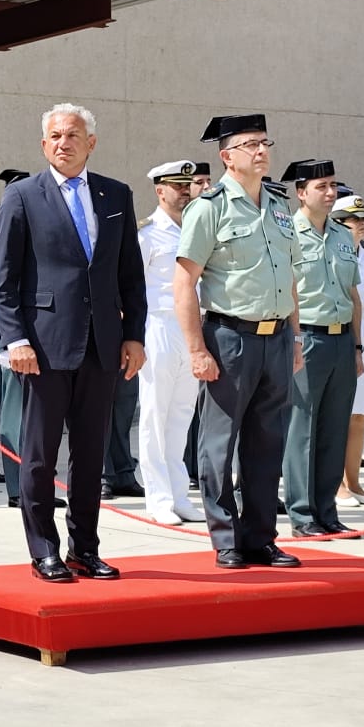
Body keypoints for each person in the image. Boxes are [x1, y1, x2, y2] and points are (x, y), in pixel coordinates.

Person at [0, 104, 146, 582]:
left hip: (102, 346)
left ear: (91, 142)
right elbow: (4, 279)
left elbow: (130, 276)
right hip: (43, 346)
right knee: (38, 456)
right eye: (55, 136)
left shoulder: (115, 195)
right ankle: (44, 550)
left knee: (90, 453)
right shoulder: (22, 196)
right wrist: (15, 338)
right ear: (44, 145)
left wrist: (134, 336)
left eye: (73, 135)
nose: (64, 143)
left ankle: (85, 548)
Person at [175, 114, 301, 570]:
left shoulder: (279, 206)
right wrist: (196, 348)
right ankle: (226, 537)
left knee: (267, 444)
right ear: (227, 156)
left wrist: (297, 336)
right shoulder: (209, 207)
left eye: (265, 142)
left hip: (277, 337)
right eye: (250, 145)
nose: (261, 151)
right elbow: (183, 283)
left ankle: (261, 537)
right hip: (230, 337)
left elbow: (289, 279)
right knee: (218, 443)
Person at [281, 157, 361, 537]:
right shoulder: (287, 233)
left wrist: (358, 347)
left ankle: (327, 510)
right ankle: (302, 513)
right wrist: (295, 340)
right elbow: (289, 293)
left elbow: (352, 294)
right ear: (301, 194)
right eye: (321, 187)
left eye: (333, 186)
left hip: (341, 339)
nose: (330, 193)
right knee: (303, 429)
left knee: (334, 427)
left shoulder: (345, 236)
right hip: (307, 337)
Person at [136, 160, 203, 526]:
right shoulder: (146, 235)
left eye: (186, 184)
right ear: (159, 190)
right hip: (157, 326)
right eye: (176, 185)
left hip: (190, 327)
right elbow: (131, 289)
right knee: (154, 415)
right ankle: (158, 497)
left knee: (181, 414)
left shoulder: (195, 229)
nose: (183, 190)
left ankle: (179, 495)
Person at [0, 170, 35, 510]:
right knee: (15, 418)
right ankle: (17, 487)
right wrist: (2, 343)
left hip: (37, 344)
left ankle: (34, 486)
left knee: (35, 421)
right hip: (13, 345)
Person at [332, 195, 364, 507]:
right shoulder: (334, 253)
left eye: (363, 219)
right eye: (353, 220)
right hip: (343, 334)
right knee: (337, 416)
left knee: (359, 415)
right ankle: (337, 486)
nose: (361, 224)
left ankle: (355, 482)